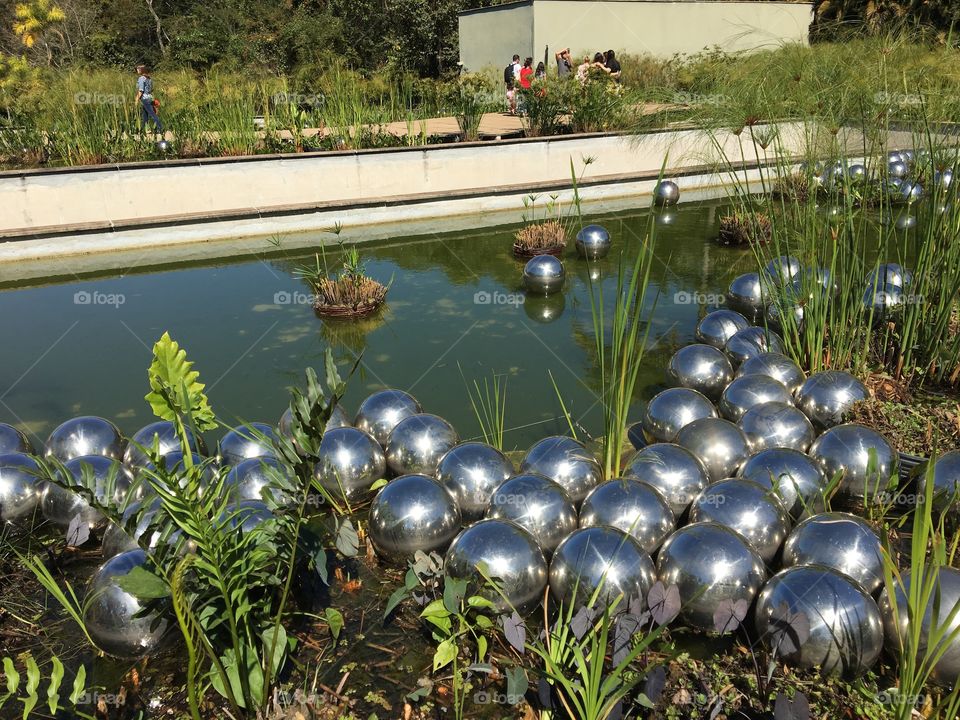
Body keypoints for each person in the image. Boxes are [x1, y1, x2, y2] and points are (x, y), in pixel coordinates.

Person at [136, 64, 163, 136]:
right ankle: (142, 130)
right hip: (149, 97)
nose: (137, 70)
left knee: (152, 114)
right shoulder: (149, 78)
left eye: (139, 68)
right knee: (145, 116)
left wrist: (136, 99)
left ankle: (160, 128)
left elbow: (141, 90)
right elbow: (151, 89)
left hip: (144, 98)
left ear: (142, 70)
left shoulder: (141, 78)